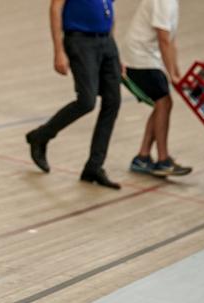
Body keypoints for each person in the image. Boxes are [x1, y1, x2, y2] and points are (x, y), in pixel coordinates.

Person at [26, 0, 122, 189]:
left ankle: (94, 166)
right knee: (87, 101)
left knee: (113, 101)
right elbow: (55, 7)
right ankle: (41, 136)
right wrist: (58, 50)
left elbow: (110, 10)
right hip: (80, 40)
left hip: (106, 42)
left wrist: (116, 54)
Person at [124, 0, 192, 176]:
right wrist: (171, 75)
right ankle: (162, 160)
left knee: (163, 103)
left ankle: (143, 156)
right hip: (139, 58)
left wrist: (177, 74)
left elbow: (171, 41)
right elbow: (163, 40)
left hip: (148, 57)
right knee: (164, 102)